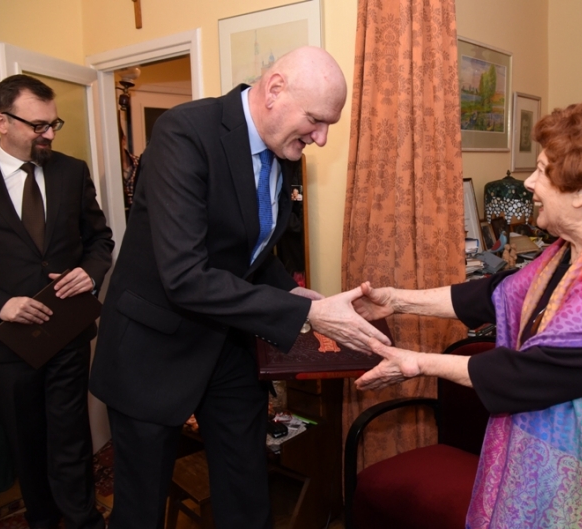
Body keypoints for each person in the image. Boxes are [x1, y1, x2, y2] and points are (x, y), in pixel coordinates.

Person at [353, 99, 582, 528]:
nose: (529, 182)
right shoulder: (580, 245)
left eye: (543, 171)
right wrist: (395, 300)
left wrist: (418, 363)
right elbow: (499, 293)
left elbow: (534, 373)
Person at [89, 46, 390, 529]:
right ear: (275, 91)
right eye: (316, 120)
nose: (322, 137)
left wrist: (296, 294)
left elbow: (250, 251)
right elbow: (185, 276)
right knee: (140, 511)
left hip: (227, 348)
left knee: (247, 493)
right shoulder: (185, 133)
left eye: (328, 124)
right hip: (151, 352)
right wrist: (307, 316)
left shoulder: (283, 148)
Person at [0, 74, 114, 529]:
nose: (49, 135)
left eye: (53, 124)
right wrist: (0, 304)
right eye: (38, 125)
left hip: (66, 334)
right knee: (26, 445)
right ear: (1, 121)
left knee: (71, 438)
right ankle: (43, 520)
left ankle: (84, 520)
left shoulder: (71, 171)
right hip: (4, 344)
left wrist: (91, 272)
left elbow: (100, 240)